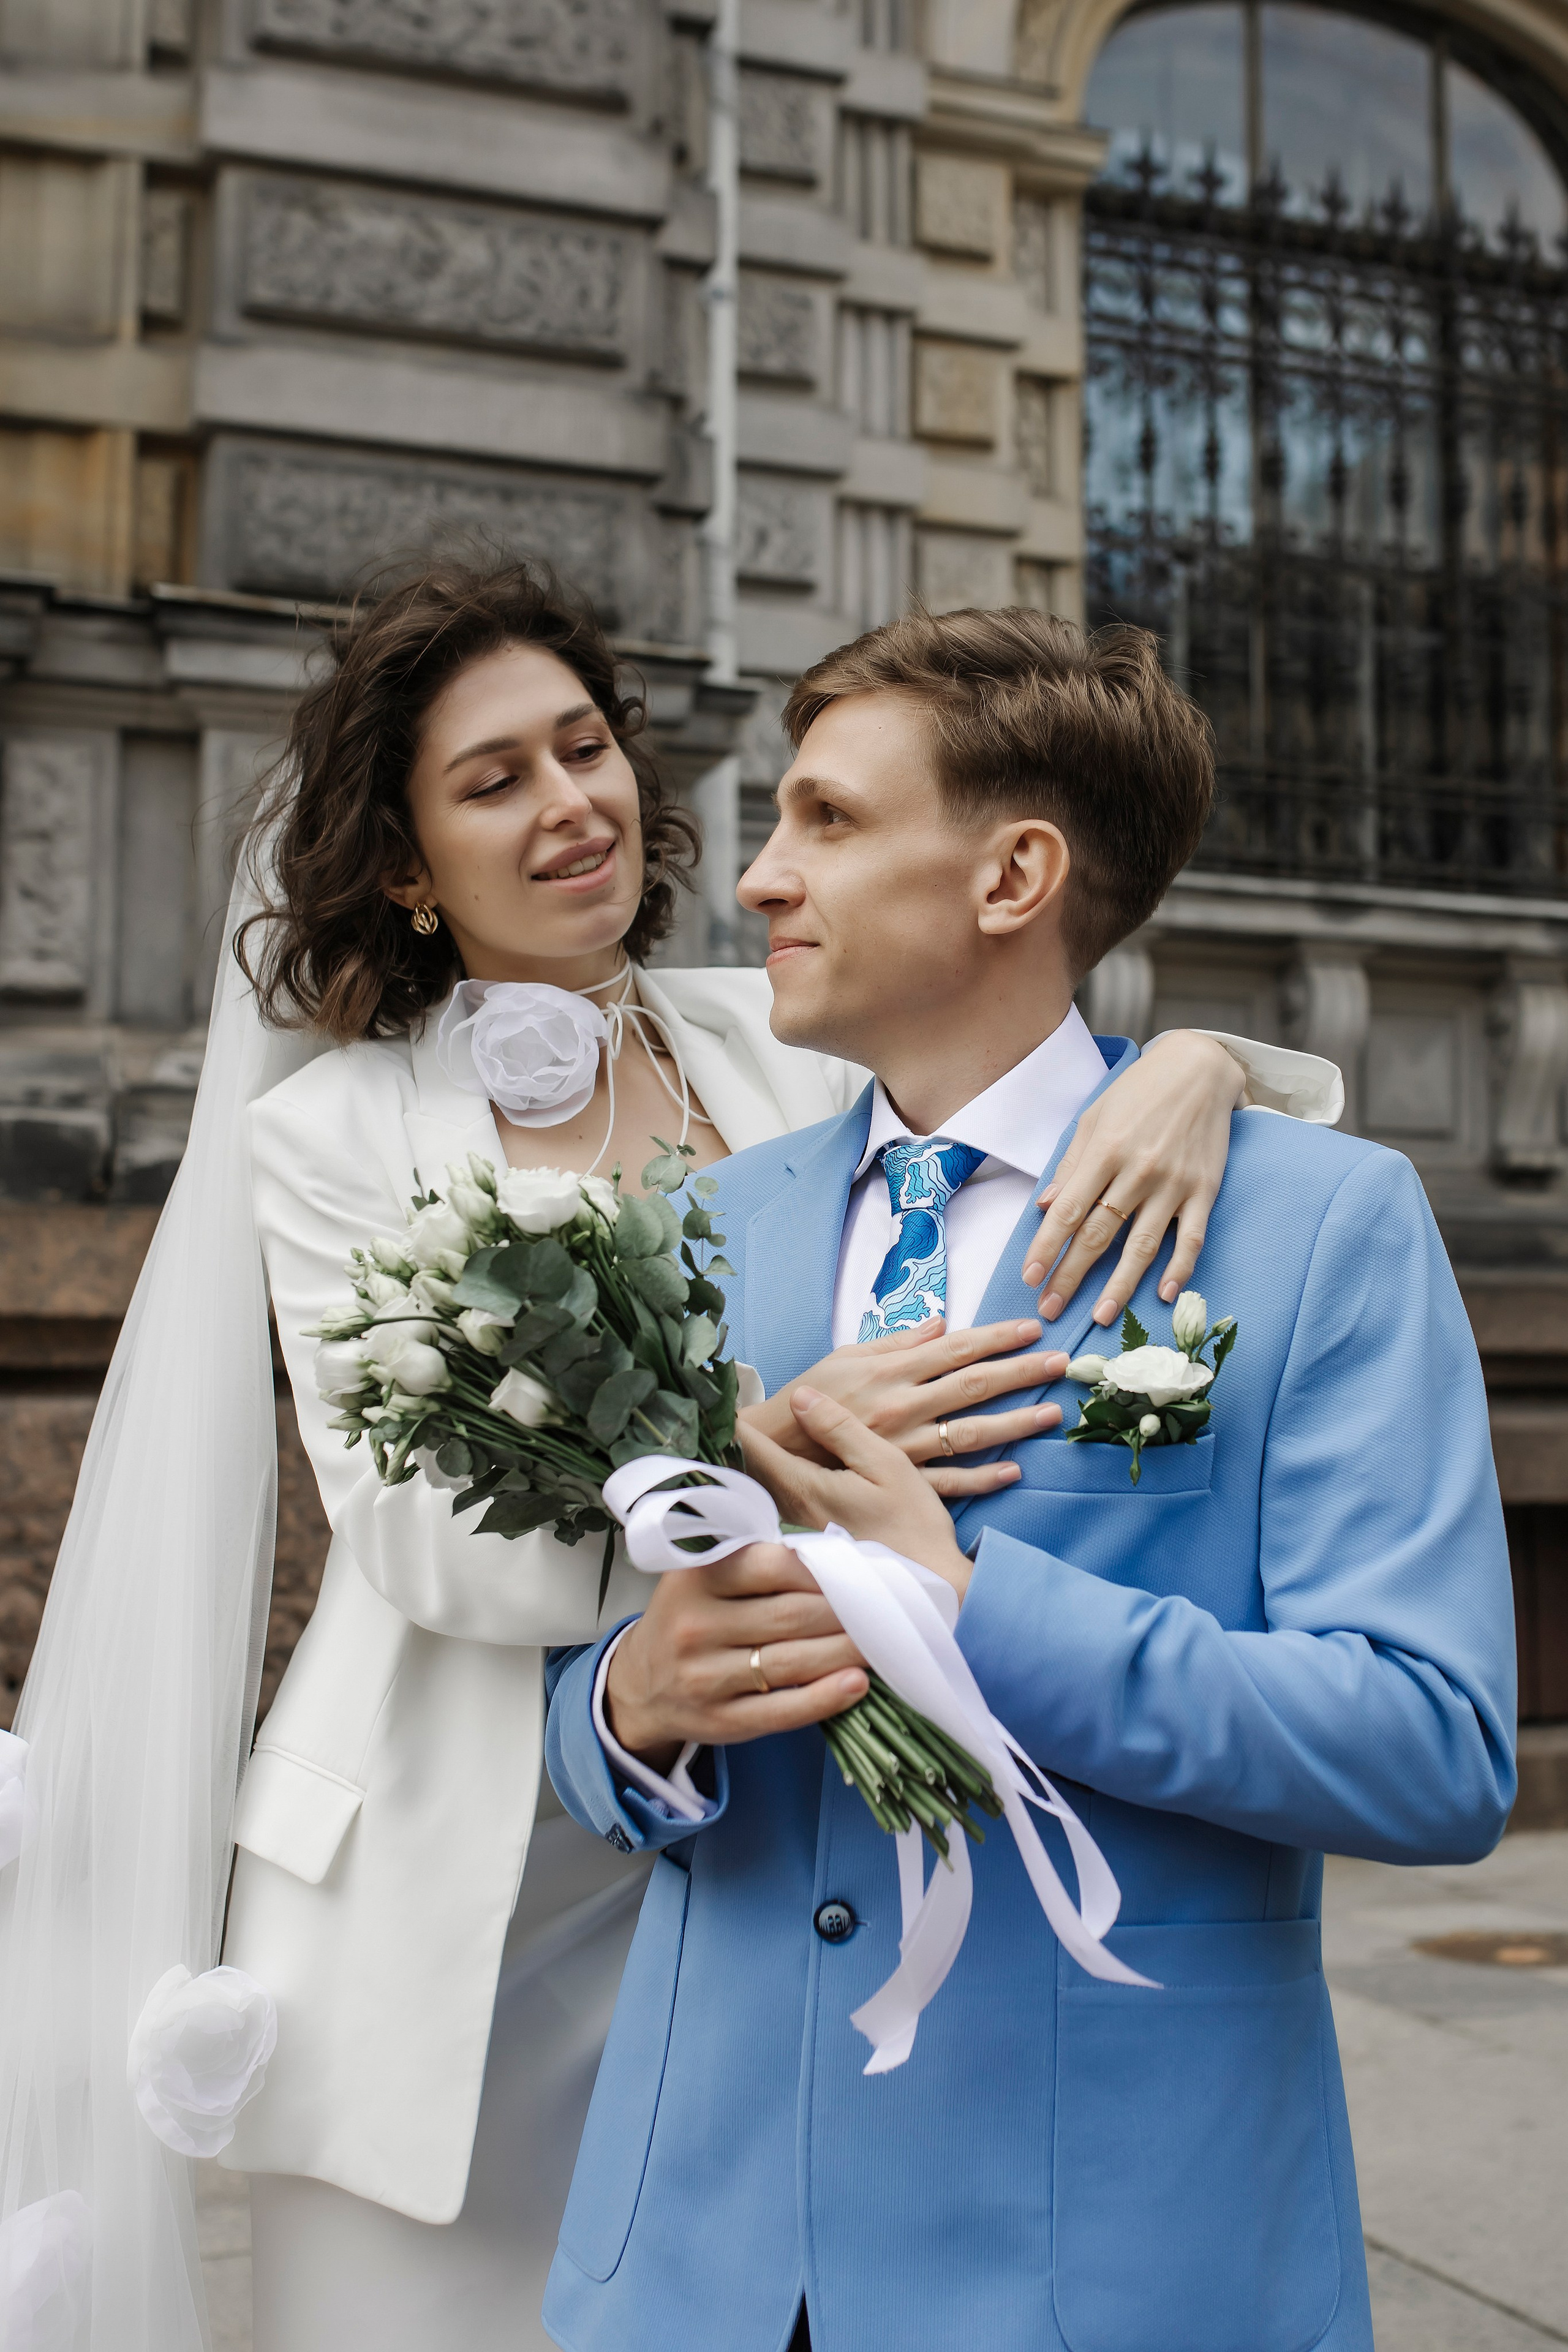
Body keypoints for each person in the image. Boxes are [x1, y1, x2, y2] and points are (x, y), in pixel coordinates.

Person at [0, 560, 1332, 2352]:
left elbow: (1018, 1049)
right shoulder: (326, 1133)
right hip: (448, 1895)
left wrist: (1196, 1060)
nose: (574, 805)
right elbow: (433, 1552)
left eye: (589, 746)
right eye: (495, 783)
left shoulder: (780, 1030)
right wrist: (776, 1453)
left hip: (763, 1870)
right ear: (404, 863)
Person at [541, 607, 1518, 2352]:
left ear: (1014, 877)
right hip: (704, 2253)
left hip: (1106, 2261)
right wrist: (631, 1705)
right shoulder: (698, 1231)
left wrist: (976, 1618)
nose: (760, 877)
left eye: (828, 821)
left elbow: (1433, 1750)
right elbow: (610, 1702)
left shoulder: (1318, 1229)